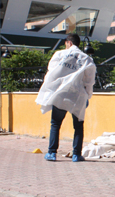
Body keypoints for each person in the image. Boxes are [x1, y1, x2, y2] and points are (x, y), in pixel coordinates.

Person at [35, 34, 96, 162]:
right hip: (77, 95)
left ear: (68, 43)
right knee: (78, 126)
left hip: (61, 94)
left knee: (55, 124)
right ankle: (76, 154)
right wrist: (87, 96)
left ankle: (52, 153)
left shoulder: (59, 55)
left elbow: (51, 73)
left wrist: (50, 91)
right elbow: (89, 80)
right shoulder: (86, 58)